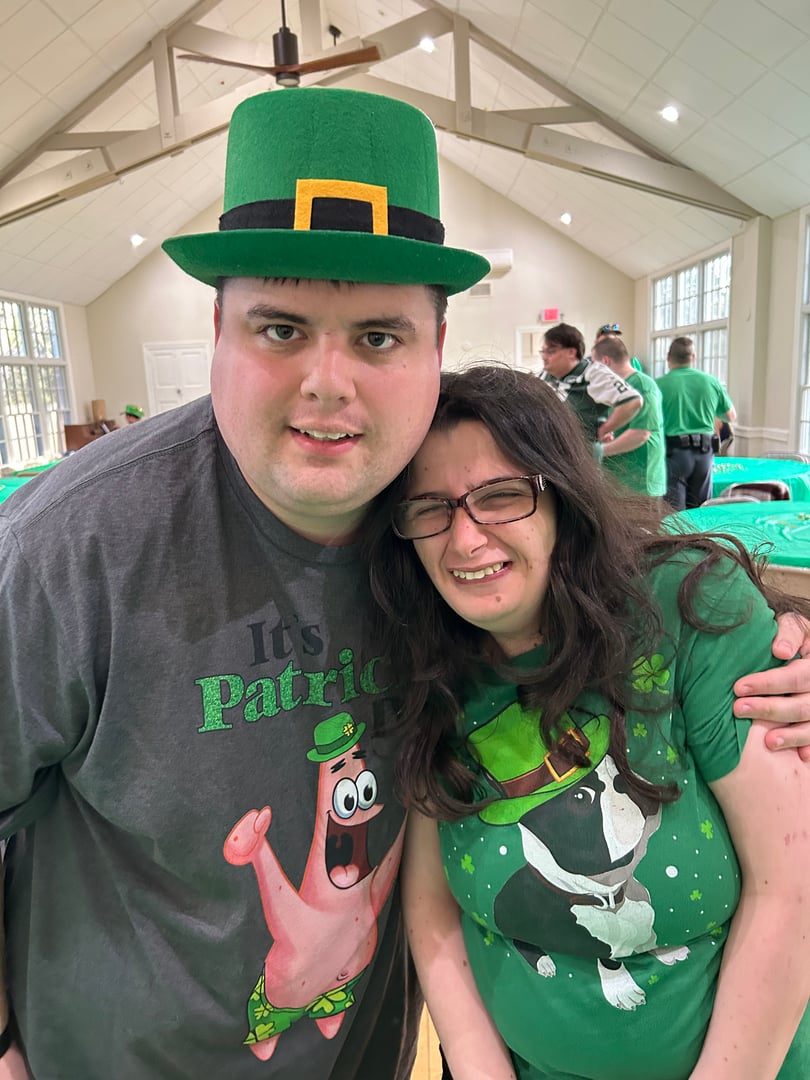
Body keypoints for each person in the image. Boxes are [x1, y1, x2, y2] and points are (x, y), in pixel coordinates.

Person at [0, 87, 808, 1080]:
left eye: (377, 336)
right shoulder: (68, 549)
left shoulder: (439, 545)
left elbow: (628, 601)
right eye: (280, 328)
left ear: (435, 348)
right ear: (217, 329)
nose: (328, 382)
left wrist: (776, 661)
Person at [364, 365, 810, 1080]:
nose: (466, 540)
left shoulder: (689, 610)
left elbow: (789, 892)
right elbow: (436, 916)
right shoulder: (427, 666)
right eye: (430, 509)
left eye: (501, 497)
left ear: (561, 498)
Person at [538, 323, 642, 459]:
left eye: (551, 351)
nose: (544, 357)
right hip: (550, 456)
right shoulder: (543, 376)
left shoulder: (593, 373)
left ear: (571, 352)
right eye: (543, 352)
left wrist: (605, 429)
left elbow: (632, 401)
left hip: (581, 460)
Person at [657, 336, 736, 510]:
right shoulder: (711, 382)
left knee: (674, 516)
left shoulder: (658, 385)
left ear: (668, 357)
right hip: (704, 453)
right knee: (700, 511)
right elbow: (731, 416)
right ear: (693, 357)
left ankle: (676, 538)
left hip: (675, 454)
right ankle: (699, 538)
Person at [591, 335, 666, 498]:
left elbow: (640, 434)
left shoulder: (642, 385)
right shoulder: (616, 389)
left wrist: (598, 451)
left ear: (605, 361)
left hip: (639, 485)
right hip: (619, 481)